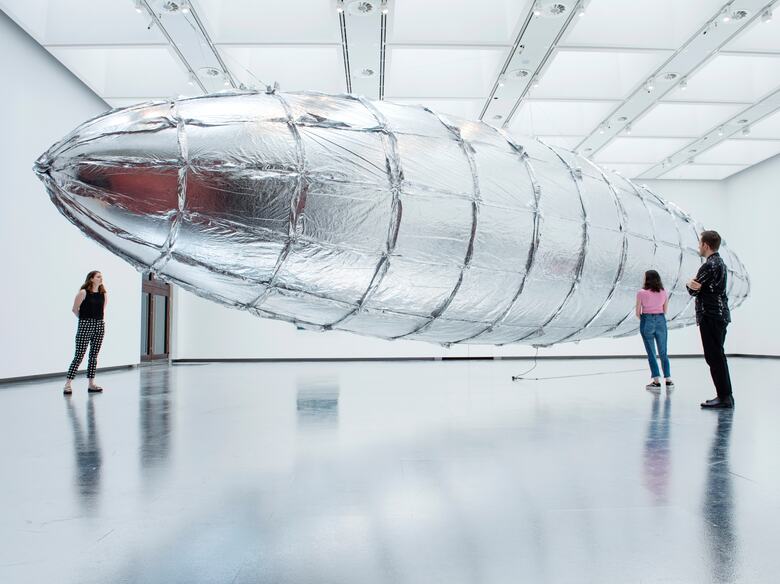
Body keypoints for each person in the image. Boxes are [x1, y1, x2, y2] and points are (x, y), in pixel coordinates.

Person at [687, 231, 733, 409]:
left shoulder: (708, 266)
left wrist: (689, 284)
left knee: (714, 357)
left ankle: (724, 397)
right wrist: (696, 286)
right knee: (718, 356)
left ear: (706, 245)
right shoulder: (721, 264)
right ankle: (725, 396)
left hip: (710, 315)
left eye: (700, 243)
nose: (699, 247)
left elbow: (693, 289)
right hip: (721, 315)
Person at [63, 271, 108, 395]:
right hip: (85, 325)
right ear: (91, 279)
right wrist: (84, 320)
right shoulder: (83, 293)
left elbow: (102, 310)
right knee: (79, 356)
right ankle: (68, 384)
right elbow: (74, 309)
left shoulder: (103, 294)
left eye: (101, 277)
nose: (101, 278)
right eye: (98, 276)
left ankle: (91, 384)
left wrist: (94, 321)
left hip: (99, 325)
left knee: (94, 356)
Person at [636, 270, 674, 391]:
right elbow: (665, 310)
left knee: (651, 353)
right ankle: (668, 379)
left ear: (647, 279)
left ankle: (656, 381)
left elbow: (637, 312)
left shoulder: (641, 293)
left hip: (647, 321)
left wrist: (646, 319)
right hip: (661, 321)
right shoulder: (663, 292)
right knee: (663, 352)